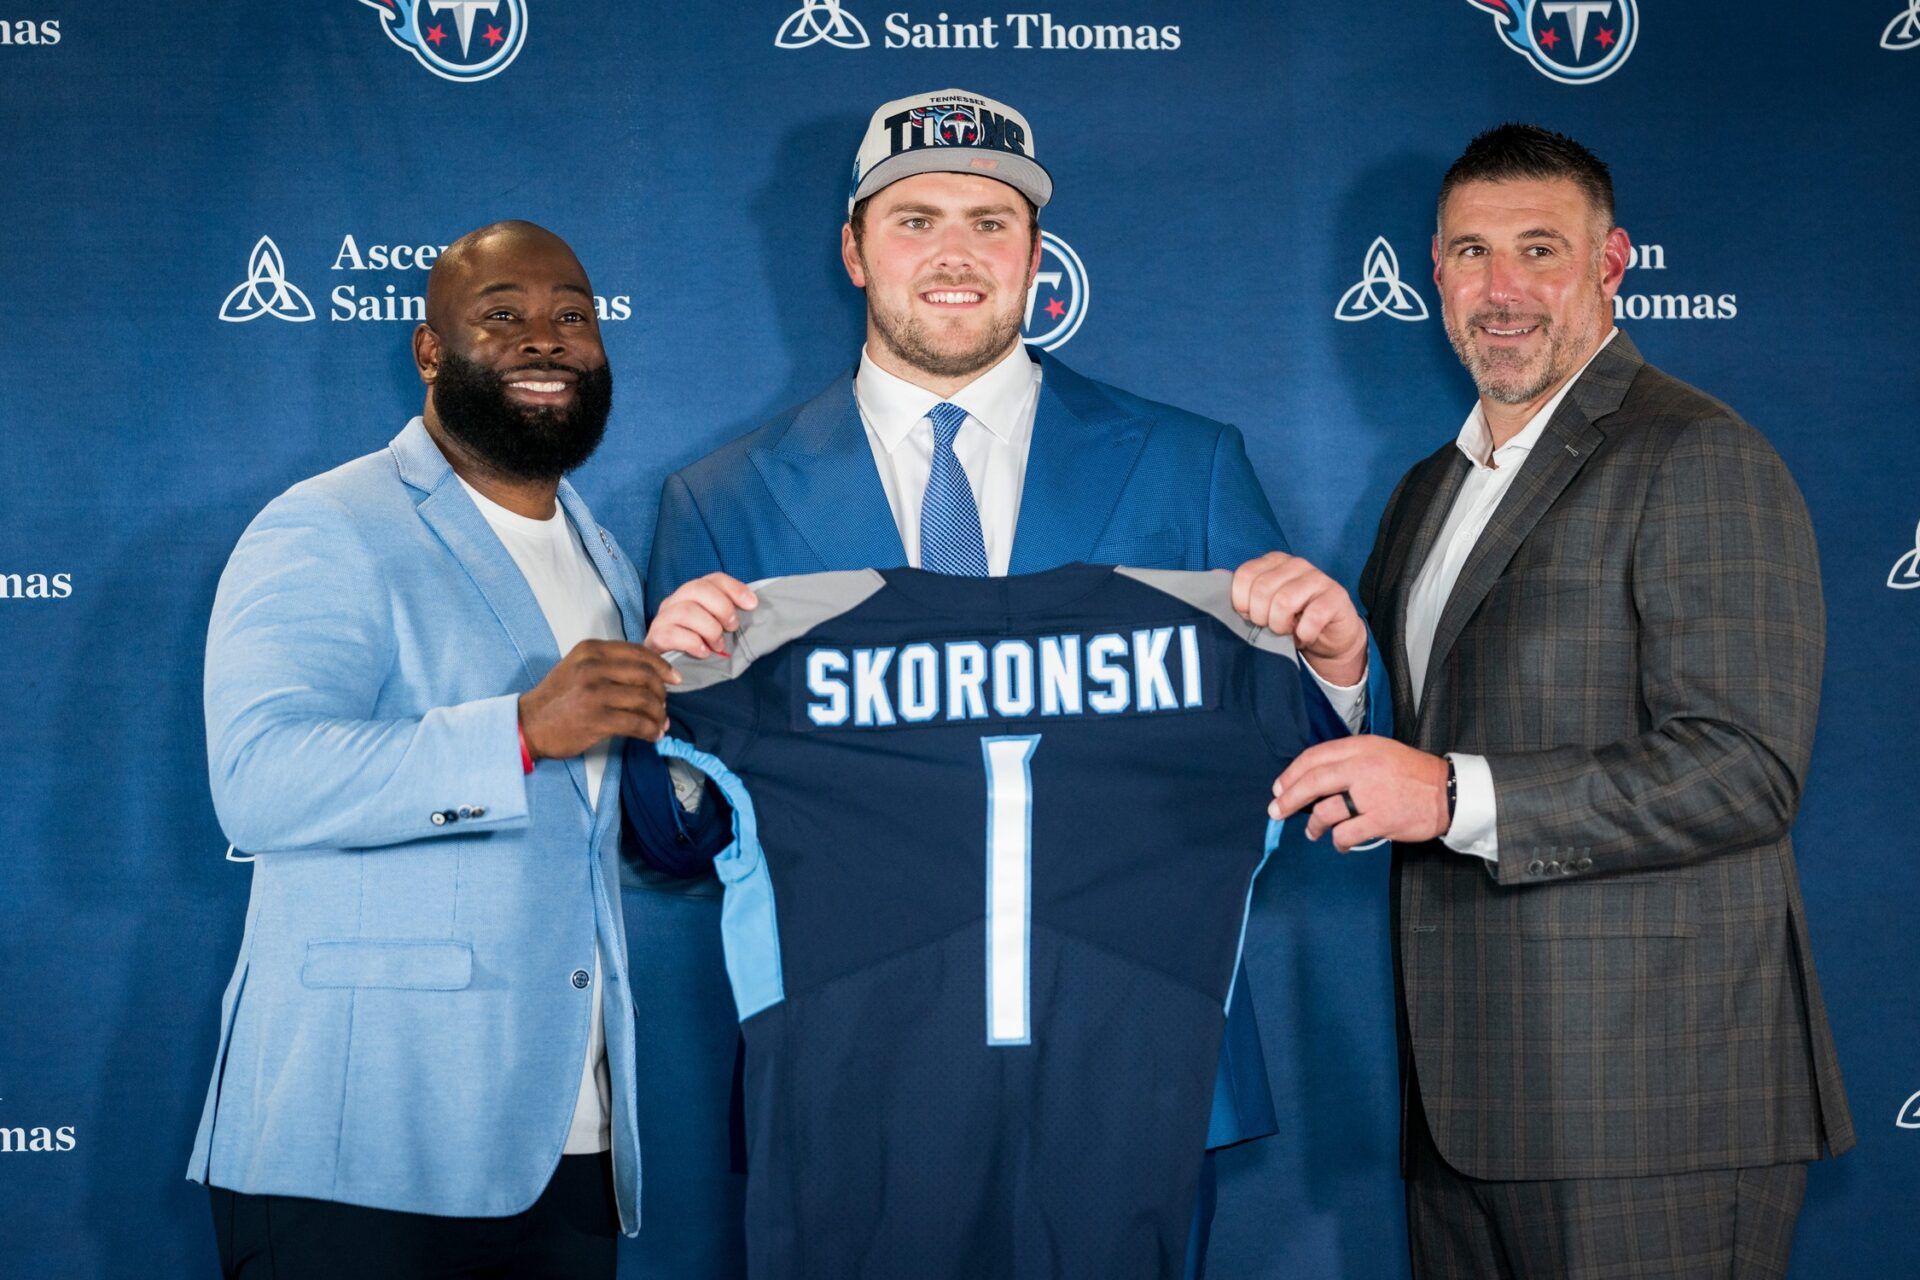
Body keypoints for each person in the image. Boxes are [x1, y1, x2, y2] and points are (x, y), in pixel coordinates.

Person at [629, 88, 1376, 1276]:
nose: (955, 254)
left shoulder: (1190, 464)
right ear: (854, 249)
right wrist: (670, 732)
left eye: (989, 220)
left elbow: (1288, 778)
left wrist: (1336, 678)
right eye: (916, 218)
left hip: (1134, 1057)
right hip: (855, 1074)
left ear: (1036, 254)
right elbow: (675, 840)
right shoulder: (722, 498)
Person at [1272, 125, 1854, 1278]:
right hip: (1466, 1108)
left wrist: (1447, 790)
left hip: (1652, 1110)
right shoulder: (1427, 491)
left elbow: (1746, 765)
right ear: (1433, 271)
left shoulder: (1697, 454)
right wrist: (1344, 672)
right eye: (1473, 252)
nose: (1502, 290)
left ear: (1612, 263)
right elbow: (1414, 752)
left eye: (1541, 249)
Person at [188, 221, 674, 1278]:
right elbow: (258, 781)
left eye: (572, 317)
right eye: (503, 314)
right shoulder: (327, 523)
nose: (546, 339)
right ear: (429, 349)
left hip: (565, 1143)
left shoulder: (607, 560)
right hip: (360, 1151)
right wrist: (517, 731)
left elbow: (589, 832)